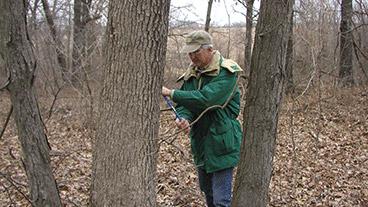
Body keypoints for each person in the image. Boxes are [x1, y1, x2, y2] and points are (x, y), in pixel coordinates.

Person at [162, 30, 243, 207]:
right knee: (209, 196)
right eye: (190, 53)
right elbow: (187, 106)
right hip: (200, 142)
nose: (192, 57)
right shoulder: (192, 73)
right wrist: (182, 117)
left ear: (209, 49)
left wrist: (173, 93)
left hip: (222, 141)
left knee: (221, 201)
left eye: (196, 52)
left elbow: (207, 99)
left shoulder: (226, 72)